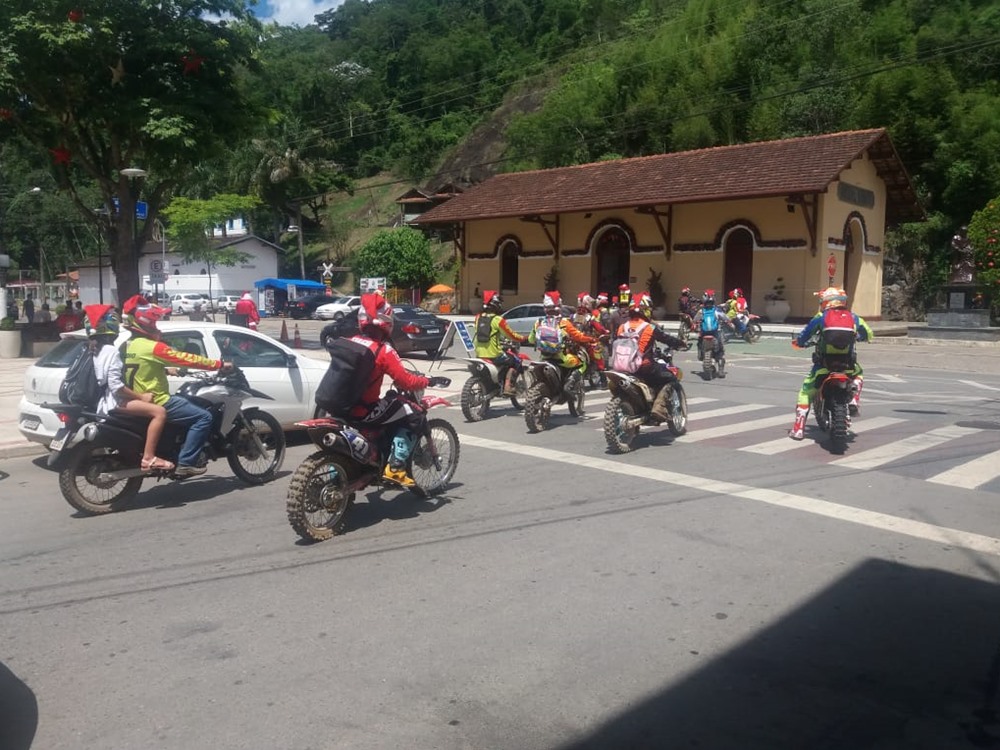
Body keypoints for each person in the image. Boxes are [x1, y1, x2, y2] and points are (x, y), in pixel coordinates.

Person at [121, 295, 233, 477]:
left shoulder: (129, 345)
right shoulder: (153, 347)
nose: (157, 326)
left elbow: (141, 368)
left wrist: (165, 370)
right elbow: (187, 358)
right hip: (159, 400)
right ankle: (186, 462)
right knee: (203, 417)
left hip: (136, 398)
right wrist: (218, 365)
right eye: (155, 322)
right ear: (147, 324)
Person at [346, 293, 448, 488]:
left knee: (391, 403)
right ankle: (396, 467)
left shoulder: (351, 342)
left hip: (341, 407)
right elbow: (406, 381)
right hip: (364, 411)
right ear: (386, 322)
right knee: (415, 414)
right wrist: (426, 380)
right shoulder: (383, 350)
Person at [84, 304, 174, 472]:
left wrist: (165, 370)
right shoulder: (111, 350)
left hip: (102, 401)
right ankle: (149, 457)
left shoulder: (91, 348)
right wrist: (141, 397)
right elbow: (116, 386)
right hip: (114, 402)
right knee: (159, 412)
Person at [788, 286, 873, 440]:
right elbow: (868, 333)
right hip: (848, 367)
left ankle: (798, 430)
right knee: (859, 374)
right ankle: (854, 399)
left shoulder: (821, 317)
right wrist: (858, 337)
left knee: (806, 392)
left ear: (826, 301)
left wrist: (799, 343)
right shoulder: (853, 317)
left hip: (823, 367)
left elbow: (804, 335)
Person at [615, 292, 688, 421]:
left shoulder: (622, 327)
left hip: (622, 367)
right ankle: (658, 408)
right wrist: (681, 343)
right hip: (644, 366)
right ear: (646, 310)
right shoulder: (649, 328)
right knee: (670, 378)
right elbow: (667, 339)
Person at [528, 291, 597, 377]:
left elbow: (531, 340)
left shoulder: (538, 322)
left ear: (545, 308)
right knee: (582, 362)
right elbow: (579, 336)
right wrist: (591, 339)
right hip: (561, 359)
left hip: (543, 358)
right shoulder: (564, 322)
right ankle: (571, 382)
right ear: (559, 307)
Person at [472, 290, 529, 395]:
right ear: (495, 305)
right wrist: (523, 338)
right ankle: (508, 386)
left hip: (479, 354)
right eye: (499, 304)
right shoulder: (498, 320)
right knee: (515, 360)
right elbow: (511, 335)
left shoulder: (477, 317)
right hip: (494, 354)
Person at [573, 292, 609, 385]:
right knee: (599, 358)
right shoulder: (589, 317)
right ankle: (604, 381)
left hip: (573, 343)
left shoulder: (572, 316)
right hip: (587, 343)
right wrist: (605, 332)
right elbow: (599, 328)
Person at [692, 289, 730, 373]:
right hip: (716, 333)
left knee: (699, 343)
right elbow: (726, 318)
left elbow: (694, 321)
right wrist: (729, 323)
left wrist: (695, 326)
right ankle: (721, 370)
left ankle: (701, 354)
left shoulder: (701, 311)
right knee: (721, 351)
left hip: (704, 333)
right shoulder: (717, 310)